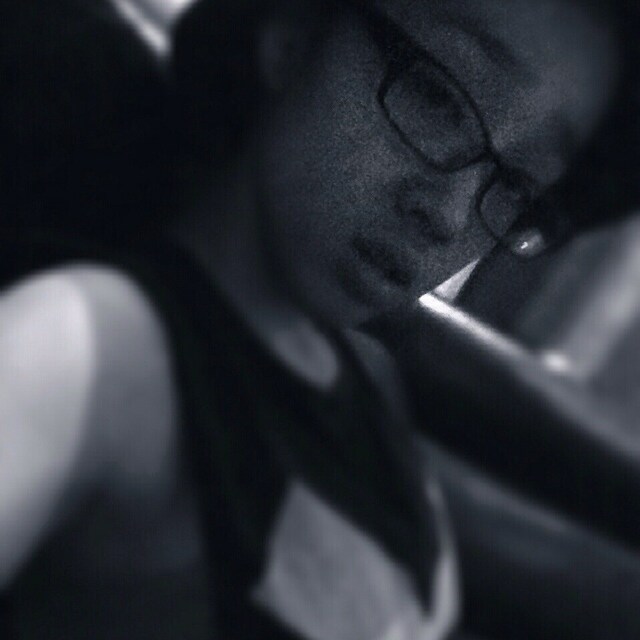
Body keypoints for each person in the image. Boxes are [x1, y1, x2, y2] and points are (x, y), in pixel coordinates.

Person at [0, 0, 635, 638]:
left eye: (518, 185)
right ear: (296, 32)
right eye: (440, 102)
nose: (448, 216)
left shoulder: (368, 378)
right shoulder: (99, 350)